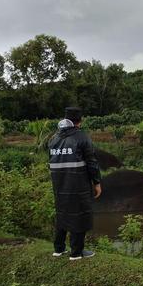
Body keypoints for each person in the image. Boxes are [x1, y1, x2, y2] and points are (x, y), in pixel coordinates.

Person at [49, 107, 102, 260]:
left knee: (62, 213)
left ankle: (58, 249)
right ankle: (76, 252)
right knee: (80, 214)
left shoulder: (54, 138)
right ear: (79, 121)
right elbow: (92, 161)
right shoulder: (81, 137)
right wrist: (96, 182)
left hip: (59, 184)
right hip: (78, 184)